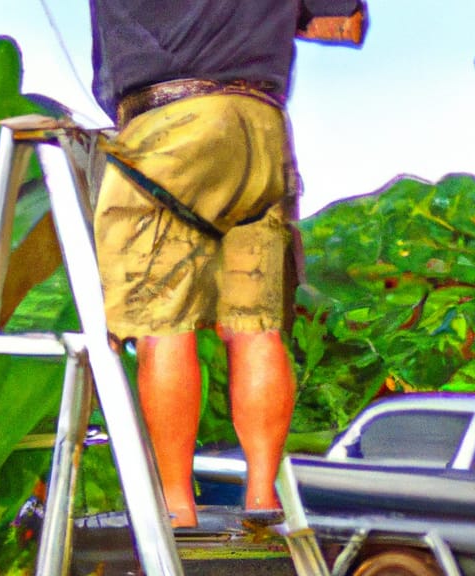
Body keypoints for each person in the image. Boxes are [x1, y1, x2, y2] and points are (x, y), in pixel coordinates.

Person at [88, 0, 366, 528]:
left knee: (163, 323)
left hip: (170, 122)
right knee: (254, 327)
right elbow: (347, 24)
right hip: (259, 127)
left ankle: (176, 506)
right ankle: (261, 493)